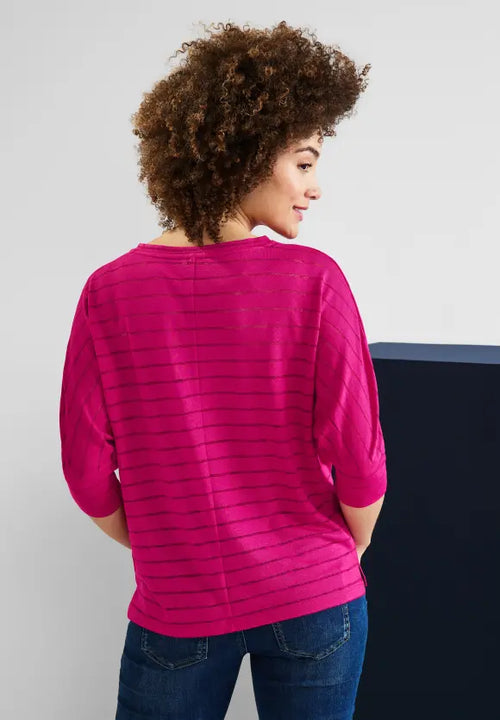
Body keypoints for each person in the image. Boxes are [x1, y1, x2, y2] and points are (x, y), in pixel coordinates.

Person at [58, 20, 386, 720]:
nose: (316, 188)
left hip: (178, 604)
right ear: (249, 153)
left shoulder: (107, 293)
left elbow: (87, 475)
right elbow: (360, 460)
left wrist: (166, 547)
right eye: (305, 163)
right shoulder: (315, 283)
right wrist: (348, 544)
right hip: (315, 596)